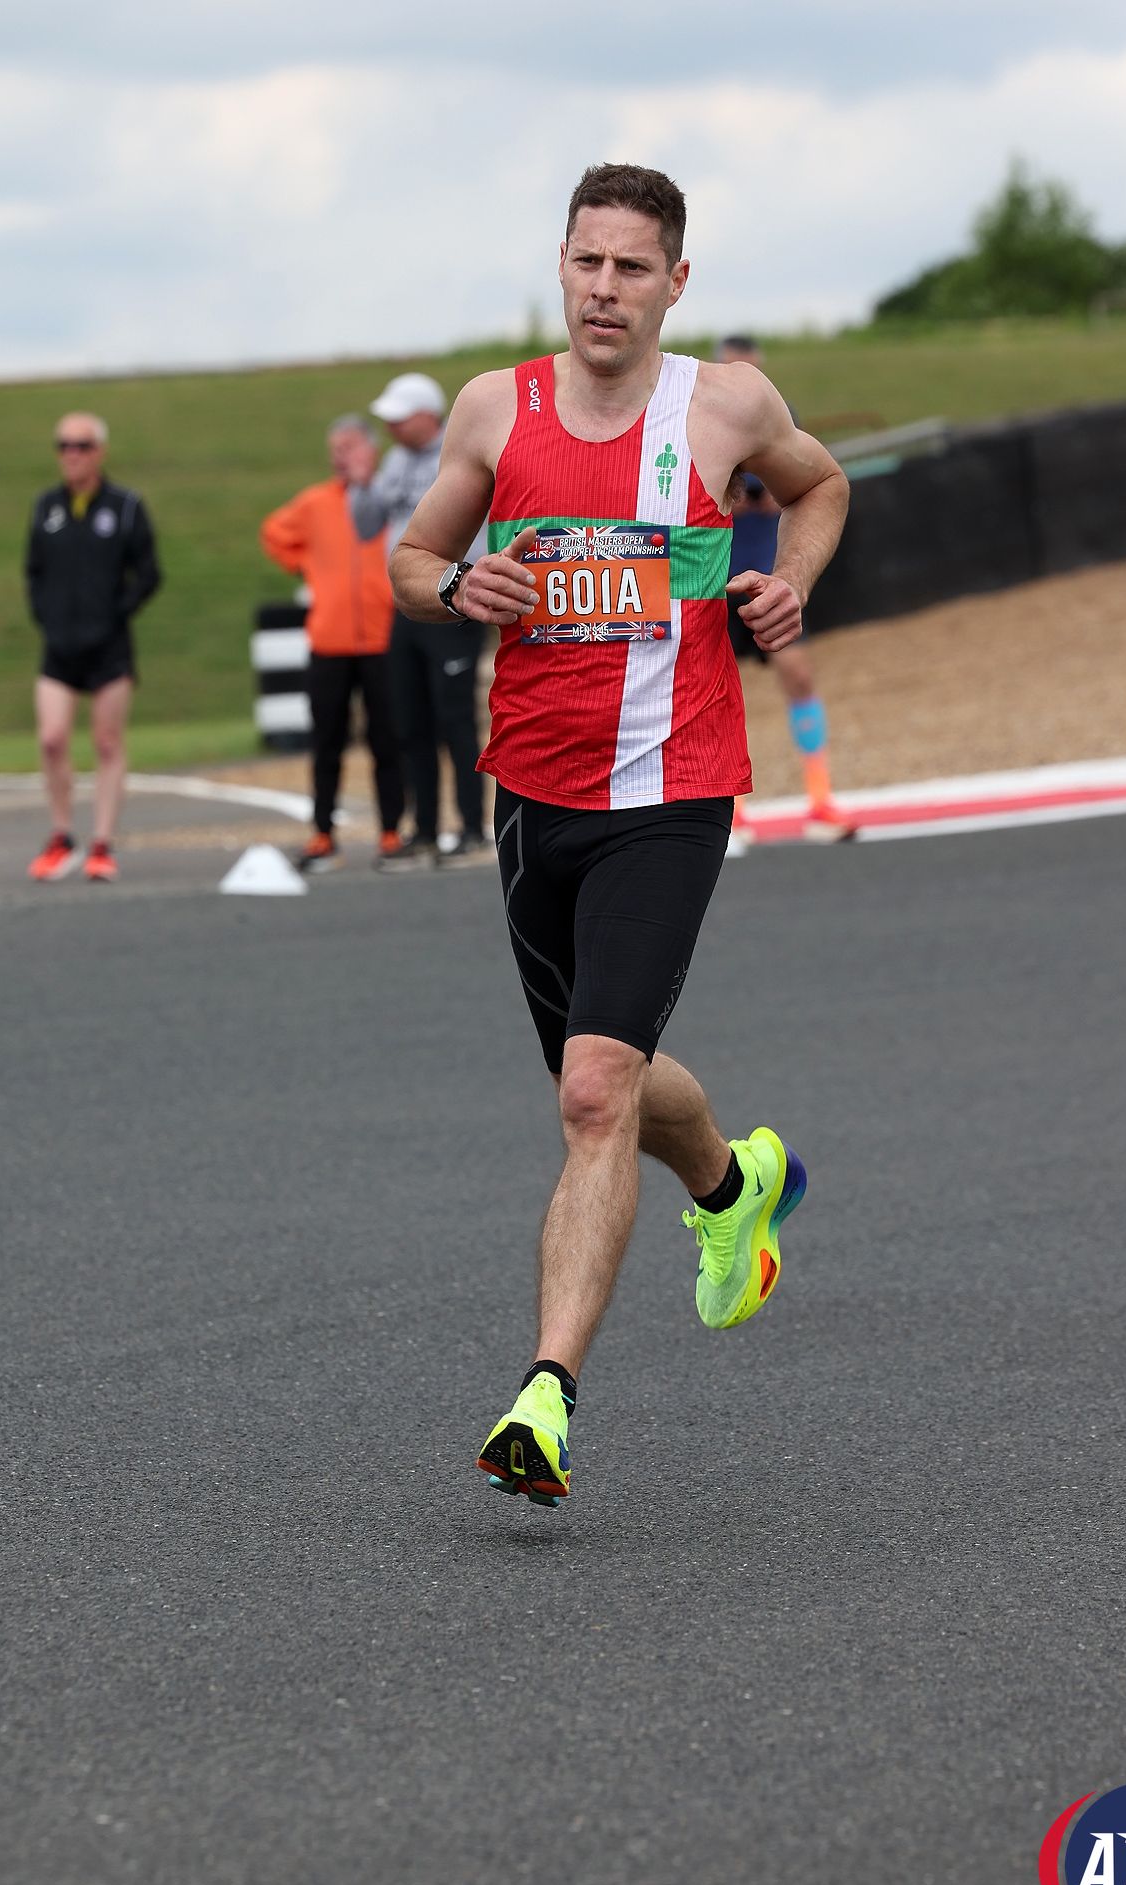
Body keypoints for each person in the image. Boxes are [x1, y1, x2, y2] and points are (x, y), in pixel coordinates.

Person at [390, 161, 849, 1505]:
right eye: (586, 261)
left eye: (631, 267)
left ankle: (544, 1399)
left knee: (593, 1091)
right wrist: (456, 585)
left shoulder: (726, 404)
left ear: (674, 282)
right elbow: (407, 563)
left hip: (671, 790)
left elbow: (818, 486)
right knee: (605, 1077)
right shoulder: (495, 408)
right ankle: (733, 1183)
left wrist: (789, 583)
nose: (605, 288)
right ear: (561, 265)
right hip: (532, 797)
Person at [348, 374, 489, 865]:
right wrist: (362, 484)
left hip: (456, 601)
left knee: (455, 719)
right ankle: (425, 828)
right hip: (408, 603)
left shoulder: (460, 452)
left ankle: (472, 826)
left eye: (400, 417)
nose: (391, 426)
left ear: (428, 415)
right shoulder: (395, 461)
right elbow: (365, 526)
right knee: (410, 719)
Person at [715, 335, 851, 832]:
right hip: (715, 578)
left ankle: (820, 796)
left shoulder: (777, 417)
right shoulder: (703, 419)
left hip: (768, 574)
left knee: (798, 676)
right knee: (714, 693)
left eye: (752, 368)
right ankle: (731, 810)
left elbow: (802, 485)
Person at [260, 417, 404, 872]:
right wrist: (307, 565)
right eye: (335, 448)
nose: (340, 455)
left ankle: (391, 831)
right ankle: (323, 833)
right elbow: (274, 533)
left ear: (372, 450)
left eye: (349, 446)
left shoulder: (389, 498)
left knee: (387, 740)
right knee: (327, 742)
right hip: (330, 641)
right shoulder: (315, 502)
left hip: (383, 638)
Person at [24, 413, 161, 882]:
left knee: (107, 741)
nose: (72, 454)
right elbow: (34, 571)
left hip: (108, 646)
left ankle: (102, 843)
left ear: (99, 451)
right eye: (63, 445)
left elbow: (149, 572)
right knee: (51, 738)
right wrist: (46, 615)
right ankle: (61, 836)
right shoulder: (47, 507)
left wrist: (117, 612)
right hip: (59, 645)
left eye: (81, 446)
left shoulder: (125, 507)